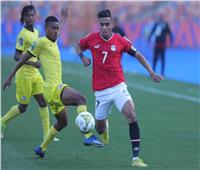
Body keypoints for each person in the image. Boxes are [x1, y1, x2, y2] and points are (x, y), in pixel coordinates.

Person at [3, 10, 103, 158]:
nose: (56, 31)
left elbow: (57, 28)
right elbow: (22, 58)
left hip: (51, 91)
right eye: (53, 28)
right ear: (45, 28)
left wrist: (63, 19)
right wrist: (10, 77)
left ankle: (41, 148)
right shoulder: (41, 42)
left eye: (57, 28)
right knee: (80, 99)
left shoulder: (53, 39)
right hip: (53, 88)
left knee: (62, 123)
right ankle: (88, 135)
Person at [75, 9, 163, 167]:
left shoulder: (120, 41)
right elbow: (78, 46)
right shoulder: (91, 38)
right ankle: (105, 127)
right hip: (100, 91)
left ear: (112, 24)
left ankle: (136, 158)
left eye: (107, 24)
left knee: (131, 115)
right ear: (99, 24)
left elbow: (138, 55)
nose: (104, 27)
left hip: (118, 87)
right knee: (100, 128)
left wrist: (151, 72)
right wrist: (83, 58)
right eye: (101, 24)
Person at [1, 5, 52, 141]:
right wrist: (32, 63)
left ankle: (46, 134)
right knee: (23, 107)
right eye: (28, 15)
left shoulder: (36, 32)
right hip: (24, 75)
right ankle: (2, 121)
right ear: (23, 18)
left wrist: (41, 59)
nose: (30, 17)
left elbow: (35, 51)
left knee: (42, 102)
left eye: (32, 15)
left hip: (35, 75)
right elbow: (16, 56)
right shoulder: (22, 35)